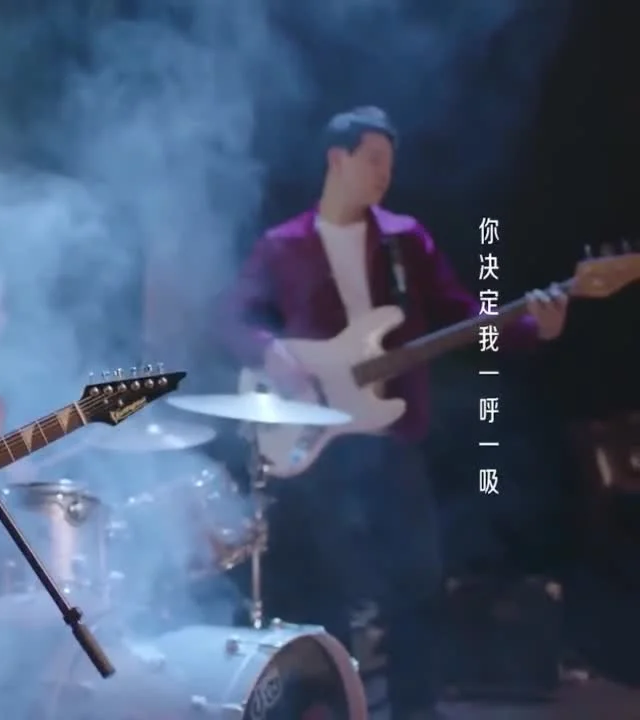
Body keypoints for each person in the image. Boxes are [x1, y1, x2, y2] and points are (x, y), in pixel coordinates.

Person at [215, 106, 568, 720]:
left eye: (390, 162)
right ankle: (338, 707)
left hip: (392, 433)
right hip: (316, 440)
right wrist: (271, 351)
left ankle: (413, 710)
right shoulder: (283, 244)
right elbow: (232, 318)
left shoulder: (405, 239)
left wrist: (533, 326)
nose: (385, 173)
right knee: (326, 590)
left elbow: (462, 316)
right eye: (374, 159)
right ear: (338, 159)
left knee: (418, 585)